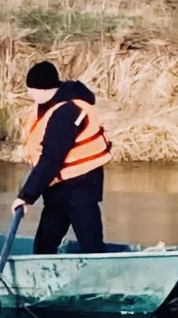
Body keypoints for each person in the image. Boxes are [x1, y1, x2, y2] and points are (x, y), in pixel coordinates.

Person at [11, 61, 112, 254]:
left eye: (31, 89)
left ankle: (104, 279)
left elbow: (51, 157)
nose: (29, 94)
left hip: (80, 188)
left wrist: (26, 196)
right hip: (57, 191)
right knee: (43, 246)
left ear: (42, 88)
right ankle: (41, 279)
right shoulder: (46, 106)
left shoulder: (68, 111)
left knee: (91, 246)